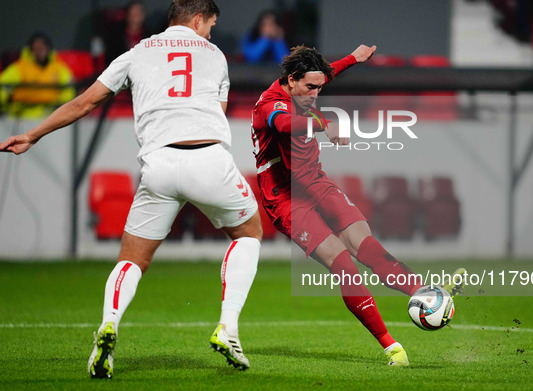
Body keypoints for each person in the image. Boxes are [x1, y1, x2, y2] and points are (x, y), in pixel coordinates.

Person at [0, 0, 262, 378]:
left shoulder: (136, 52)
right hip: (208, 161)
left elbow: (84, 102)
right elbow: (216, 112)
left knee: (132, 260)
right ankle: (229, 328)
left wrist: (31, 134)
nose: (211, 32)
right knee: (249, 233)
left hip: (158, 166)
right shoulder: (216, 55)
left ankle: (107, 328)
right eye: (211, 25)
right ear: (199, 19)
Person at [250, 45, 465, 366]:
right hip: (286, 197)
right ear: (290, 81)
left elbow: (324, 73)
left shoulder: (305, 86)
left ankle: (428, 295)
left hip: (317, 183)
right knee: (344, 266)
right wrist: (324, 125)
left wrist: (353, 59)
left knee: (368, 249)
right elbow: (283, 125)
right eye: (310, 88)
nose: (315, 94)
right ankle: (392, 347)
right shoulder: (271, 103)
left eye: (320, 87)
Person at [0, 32, 75, 119]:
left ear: (48, 49)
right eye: (36, 48)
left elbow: (69, 90)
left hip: (50, 115)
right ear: (31, 50)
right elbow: (3, 87)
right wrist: (5, 106)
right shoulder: (19, 67)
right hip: (21, 116)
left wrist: (59, 107)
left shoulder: (59, 68)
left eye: (42, 48)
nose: (39, 51)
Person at [103, 1, 150, 67]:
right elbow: (110, 60)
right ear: (127, 15)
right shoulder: (115, 36)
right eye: (133, 13)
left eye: (139, 12)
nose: (136, 16)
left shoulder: (150, 37)